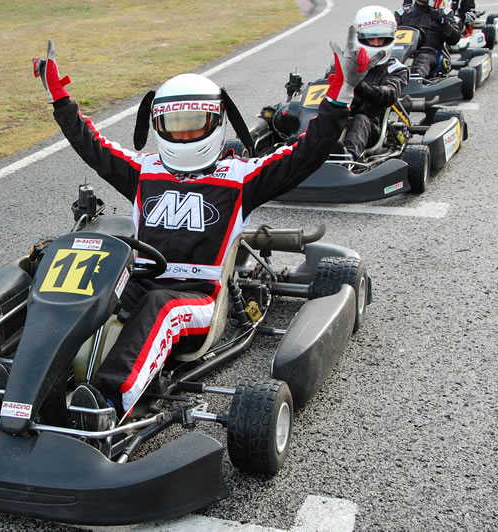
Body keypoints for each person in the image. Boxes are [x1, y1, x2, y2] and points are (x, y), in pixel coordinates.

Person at [32, 29, 382, 431]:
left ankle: (105, 404)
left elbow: (308, 151)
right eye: (173, 124)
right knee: (83, 288)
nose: (183, 134)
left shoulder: (241, 177)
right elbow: (91, 145)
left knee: (161, 307)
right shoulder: (144, 171)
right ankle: (38, 385)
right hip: (140, 281)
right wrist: (61, 100)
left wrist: (341, 94)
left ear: (214, 122)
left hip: (199, 300)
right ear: (157, 123)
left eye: (194, 123)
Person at [332, 6, 409, 161]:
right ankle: (302, 151)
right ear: (359, 38)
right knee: (320, 115)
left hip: (371, 126)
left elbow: (389, 95)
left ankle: (347, 159)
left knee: (360, 119)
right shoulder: (347, 63)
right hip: (339, 116)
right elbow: (325, 84)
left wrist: (357, 84)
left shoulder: (396, 69)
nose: (375, 43)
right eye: (370, 39)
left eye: (380, 39)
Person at [395, 0, 461, 78]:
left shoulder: (444, 13)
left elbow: (454, 39)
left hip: (430, 54)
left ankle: (415, 80)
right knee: (391, 58)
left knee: (422, 58)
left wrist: (443, 22)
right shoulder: (402, 13)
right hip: (402, 51)